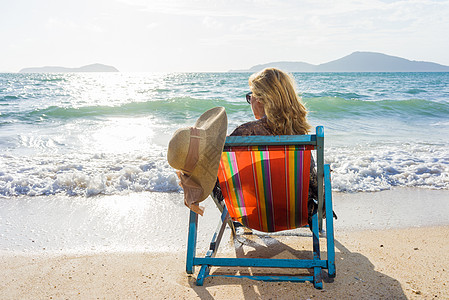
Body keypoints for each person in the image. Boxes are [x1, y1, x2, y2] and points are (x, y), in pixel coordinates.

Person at [212, 67, 321, 229]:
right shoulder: (299, 135)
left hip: (252, 216)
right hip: (297, 215)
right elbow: (314, 184)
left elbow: (222, 180)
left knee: (214, 173)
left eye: (251, 96)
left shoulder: (244, 133)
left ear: (261, 99)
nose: (250, 102)